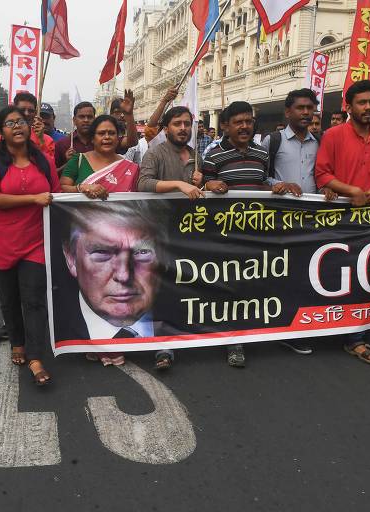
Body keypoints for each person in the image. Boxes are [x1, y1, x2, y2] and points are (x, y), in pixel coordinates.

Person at [199, 101, 299, 368]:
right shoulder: (213, 155)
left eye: (248, 121)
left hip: (257, 232)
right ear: (225, 126)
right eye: (238, 122)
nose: (244, 127)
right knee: (230, 285)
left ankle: (252, 331)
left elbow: (261, 180)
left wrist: (277, 185)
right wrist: (210, 184)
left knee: (252, 283)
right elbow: (200, 186)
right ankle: (234, 340)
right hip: (225, 233)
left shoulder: (261, 153)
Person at [0, 106, 60, 385]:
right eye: (10, 123)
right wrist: (34, 199)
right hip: (0, 242)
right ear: (1, 131)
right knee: (9, 298)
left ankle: (36, 357)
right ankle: (17, 340)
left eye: (21, 122)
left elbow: (56, 195)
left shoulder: (44, 161)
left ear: (29, 127)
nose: (17, 126)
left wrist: (84, 191)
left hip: (36, 241)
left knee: (34, 299)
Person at [315, 79, 370, 365]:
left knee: (365, 276)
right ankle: (330, 327)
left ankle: (355, 335)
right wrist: (351, 190)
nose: (368, 107)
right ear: (349, 107)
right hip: (337, 221)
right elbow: (322, 175)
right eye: (362, 102)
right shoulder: (332, 135)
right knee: (335, 277)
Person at [57, 201, 168, 365]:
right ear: (71, 258)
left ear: (164, 257)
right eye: (102, 252)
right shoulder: (58, 325)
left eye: (142, 252)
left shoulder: (187, 321)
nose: (124, 275)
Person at [137, 105, 204, 370]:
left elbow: (199, 191)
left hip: (191, 233)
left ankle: (188, 335)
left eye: (187, 124)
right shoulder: (156, 153)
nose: (183, 128)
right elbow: (143, 184)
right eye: (177, 124)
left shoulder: (196, 155)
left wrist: (202, 182)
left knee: (188, 286)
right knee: (163, 289)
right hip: (161, 233)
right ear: (167, 128)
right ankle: (163, 347)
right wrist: (178, 184)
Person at [261, 89, 321, 355]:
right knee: (277, 273)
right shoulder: (272, 141)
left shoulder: (318, 143)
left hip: (309, 222)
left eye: (310, 108)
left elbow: (321, 175)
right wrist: (280, 184)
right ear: (288, 112)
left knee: (302, 273)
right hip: (278, 221)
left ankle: (295, 327)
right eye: (301, 108)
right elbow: (259, 177)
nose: (306, 113)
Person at [11, 92, 56, 165]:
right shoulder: (2, 138)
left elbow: (50, 167)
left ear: (35, 114)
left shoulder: (47, 141)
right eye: (22, 110)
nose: (26, 114)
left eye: (31, 111)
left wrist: (41, 141)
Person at [55, 101, 96, 169]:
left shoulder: (101, 143)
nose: (86, 120)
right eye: (81, 117)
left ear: (94, 119)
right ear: (74, 120)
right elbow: (53, 175)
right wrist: (69, 163)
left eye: (89, 117)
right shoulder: (62, 144)